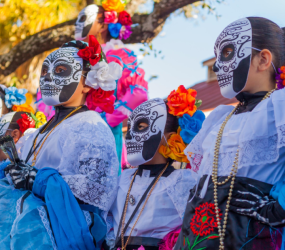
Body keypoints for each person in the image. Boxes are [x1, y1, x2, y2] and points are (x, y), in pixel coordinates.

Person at [175, 17, 285, 250]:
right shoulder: (220, 118)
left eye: (227, 52)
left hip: (251, 237)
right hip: (196, 237)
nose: (215, 66)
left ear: (263, 59)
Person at [0, 37, 120, 249]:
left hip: (55, 234)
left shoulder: (90, 126)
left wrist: (37, 180)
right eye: (45, 71)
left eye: (61, 70)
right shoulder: (37, 133)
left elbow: (95, 195)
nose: (47, 78)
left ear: (88, 83)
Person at [107, 85, 206, 250]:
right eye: (130, 127)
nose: (130, 135)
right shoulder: (123, 179)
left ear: (169, 137)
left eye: (140, 127)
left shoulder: (183, 182)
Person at [75, 3, 148, 173]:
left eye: (84, 18)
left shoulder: (118, 55)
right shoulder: (71, 56)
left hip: (104, 137)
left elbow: (138, 93)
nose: (78, 24)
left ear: (102, 25)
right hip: (71, 133)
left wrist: (107, 119)